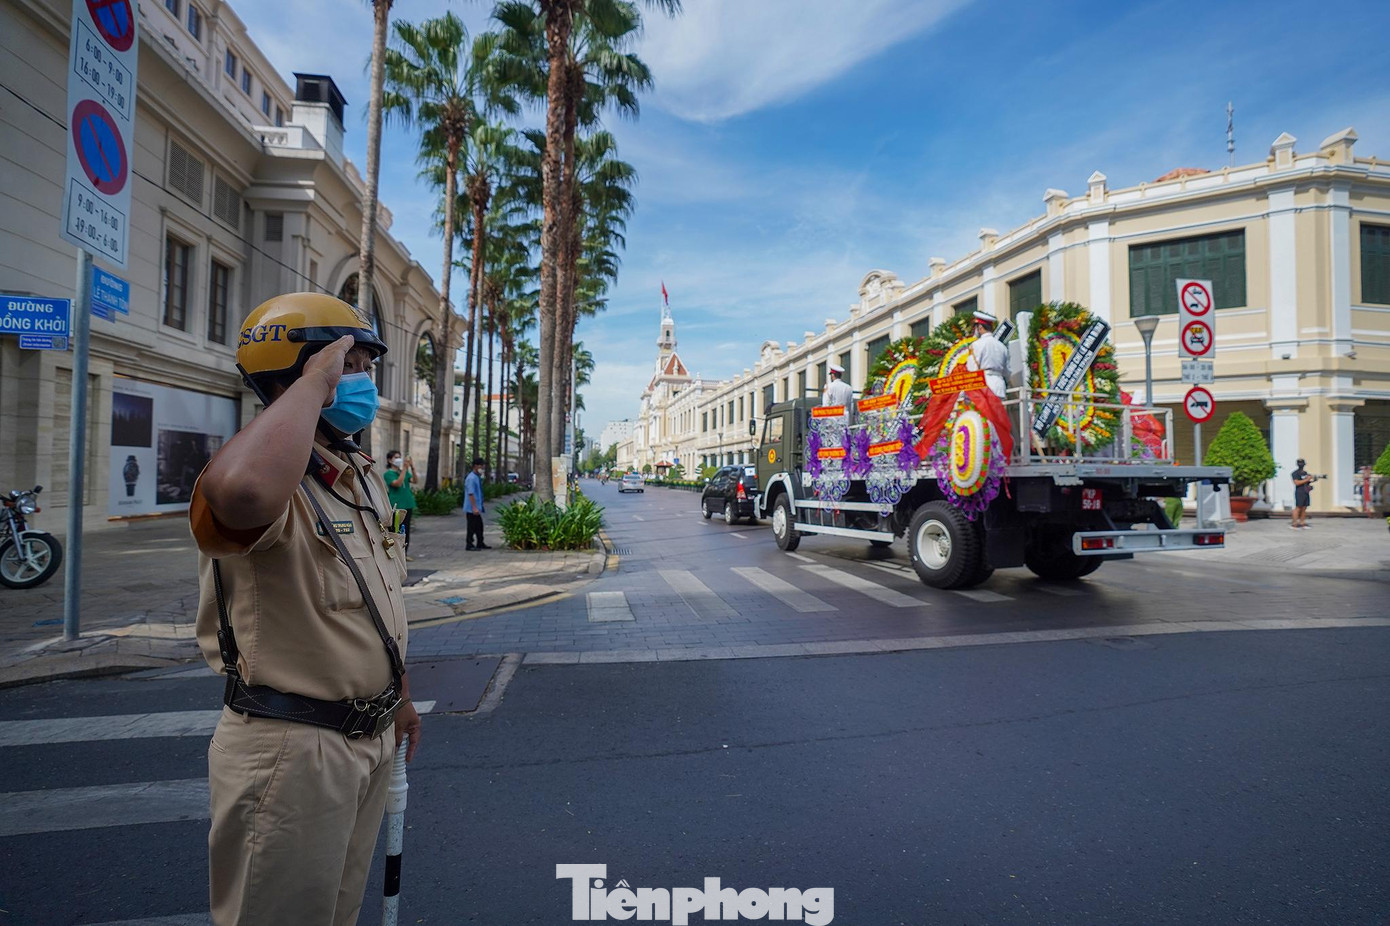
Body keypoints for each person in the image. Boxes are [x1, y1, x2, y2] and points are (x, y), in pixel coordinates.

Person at [189, 292, 422, 926]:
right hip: (291, 751)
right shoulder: (262, 476)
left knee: (337, 915)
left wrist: (398, 697)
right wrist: (317, 382)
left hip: (367, 739)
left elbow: (374, 601)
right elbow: (243, 492)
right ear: (298, 371)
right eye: (352, 364)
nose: (365, 381)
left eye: (367, 366)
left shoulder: (357, 475)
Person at [967, 309, 1009, 400]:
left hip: (984, 386)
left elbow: (972, 370)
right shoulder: (1002, 346)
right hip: (999, 387)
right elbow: (1007, 372)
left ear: (980, 327)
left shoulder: (976, 345)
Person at [386, 450, 417, 560]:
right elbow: (397, 484)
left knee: (406, 530)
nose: (398, 459)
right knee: (396, 530)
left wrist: (412, 467)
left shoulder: (403, 472)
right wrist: (404, 468)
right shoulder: (388, 474)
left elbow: (415, 480)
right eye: (396, 457)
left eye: (399, 457)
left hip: (407, 504)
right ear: (389, 460)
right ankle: (396, 554)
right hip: (397, 506)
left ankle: (404, 554)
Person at [464, 456, 489, 550]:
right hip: (471, 508)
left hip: (476, 507)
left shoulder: (476, 477)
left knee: (479, 526)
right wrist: (474, 507)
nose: (482, 468)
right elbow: (471, 494)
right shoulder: (471, 478)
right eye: (481, 466)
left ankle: (480, 543)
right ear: (475, 466)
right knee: (471, 527)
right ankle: (469, 544)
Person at [1291, 458, 1315, 529]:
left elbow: (1307, 482)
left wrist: (1311, 481)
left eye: (1302, 463)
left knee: (1304, 507)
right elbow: (1297, 482)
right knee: (1298, 507)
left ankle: (1302, 523)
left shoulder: (1305, 473)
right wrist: (1307, 479)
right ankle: (1294, 523)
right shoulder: (1295, 473)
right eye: (1300, 463)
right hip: (1299, 492)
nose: (1301, 465)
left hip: (1306, 491)